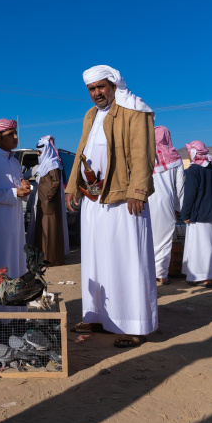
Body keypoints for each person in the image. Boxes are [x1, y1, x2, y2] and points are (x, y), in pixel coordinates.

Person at [65, 65, 157, 348]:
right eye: (91, 89)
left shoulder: (134, 109)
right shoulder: (91, 115)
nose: (96, 94)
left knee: (127, 260)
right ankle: (97, 316)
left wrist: (138, 190)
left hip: (124, 198)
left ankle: (134, 324)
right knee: (95, 258)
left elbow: (143, 152)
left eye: (101, 87)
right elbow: (81, 151)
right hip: (94, 199)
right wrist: (72, 186)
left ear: (114, 85)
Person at [0, 119, 31, 288]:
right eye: (10, 135)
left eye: (16, 133)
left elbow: (18, 188)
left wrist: (24, 188)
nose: (16, 137)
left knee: (16, 260)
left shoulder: (15, 161)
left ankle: (14, 308)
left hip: (15, 223)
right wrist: (14, 193)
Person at [148, 126, 185, 285]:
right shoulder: (176, 158)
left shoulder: (146, 155)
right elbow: (180, 187)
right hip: (167, 202)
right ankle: (162, 274)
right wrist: (180, 207)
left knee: (147, 237)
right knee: (164, 239)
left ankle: (147, 272)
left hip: (146, 199)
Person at [181, 141, 212, 287]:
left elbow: (190, 195)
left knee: (200, 247)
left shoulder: (193, 171)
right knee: (210, 246)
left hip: (198, 215)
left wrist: (185, 214)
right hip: (211, 214)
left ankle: (203, 277)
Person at [30, 135, 69, 266]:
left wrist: (48, 197)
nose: (38, 154)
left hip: (49, 204)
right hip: (44, 203)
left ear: (46, 151)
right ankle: (43, 257)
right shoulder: (45, 165)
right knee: (43, 230)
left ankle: (51, 258)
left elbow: (56, 182)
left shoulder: (52, 163)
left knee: (49, 231)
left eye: (40, 152)